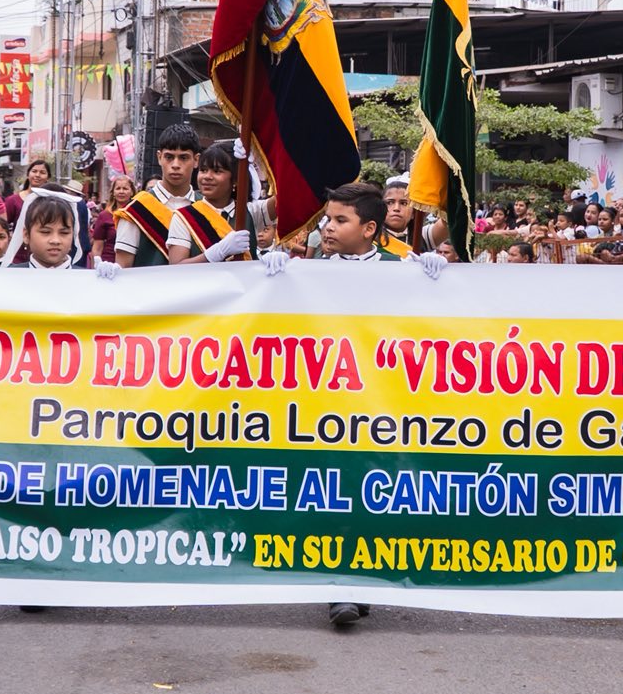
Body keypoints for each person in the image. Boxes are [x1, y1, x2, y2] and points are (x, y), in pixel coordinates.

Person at [257, 182, 445, 629]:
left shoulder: (400, 268)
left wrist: (438, 278)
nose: (328, 227)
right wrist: (273, 274)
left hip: (384, 404)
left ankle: (362, 580)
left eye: (340, 220)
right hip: (329, 404)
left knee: (373, 491)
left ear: (370, 229)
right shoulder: (309, 270)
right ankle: (341, 585)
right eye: (327, 218)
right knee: (335, 491)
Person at [116, 124, 201, 268]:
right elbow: (123, 268)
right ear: (159, 157)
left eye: (183, 157)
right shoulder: (135, 211)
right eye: (169, 157)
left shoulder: (206, 207)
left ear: (196, 160)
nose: (175, 164)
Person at [167, 143, 269, 264]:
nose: (207, 177)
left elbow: (284, 198)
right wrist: (216, 253)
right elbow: (176, 267)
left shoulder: (250, 211)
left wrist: (258, 155)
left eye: (217, 171)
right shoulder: (183, 217)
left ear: (235, 179)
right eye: (203, 170)